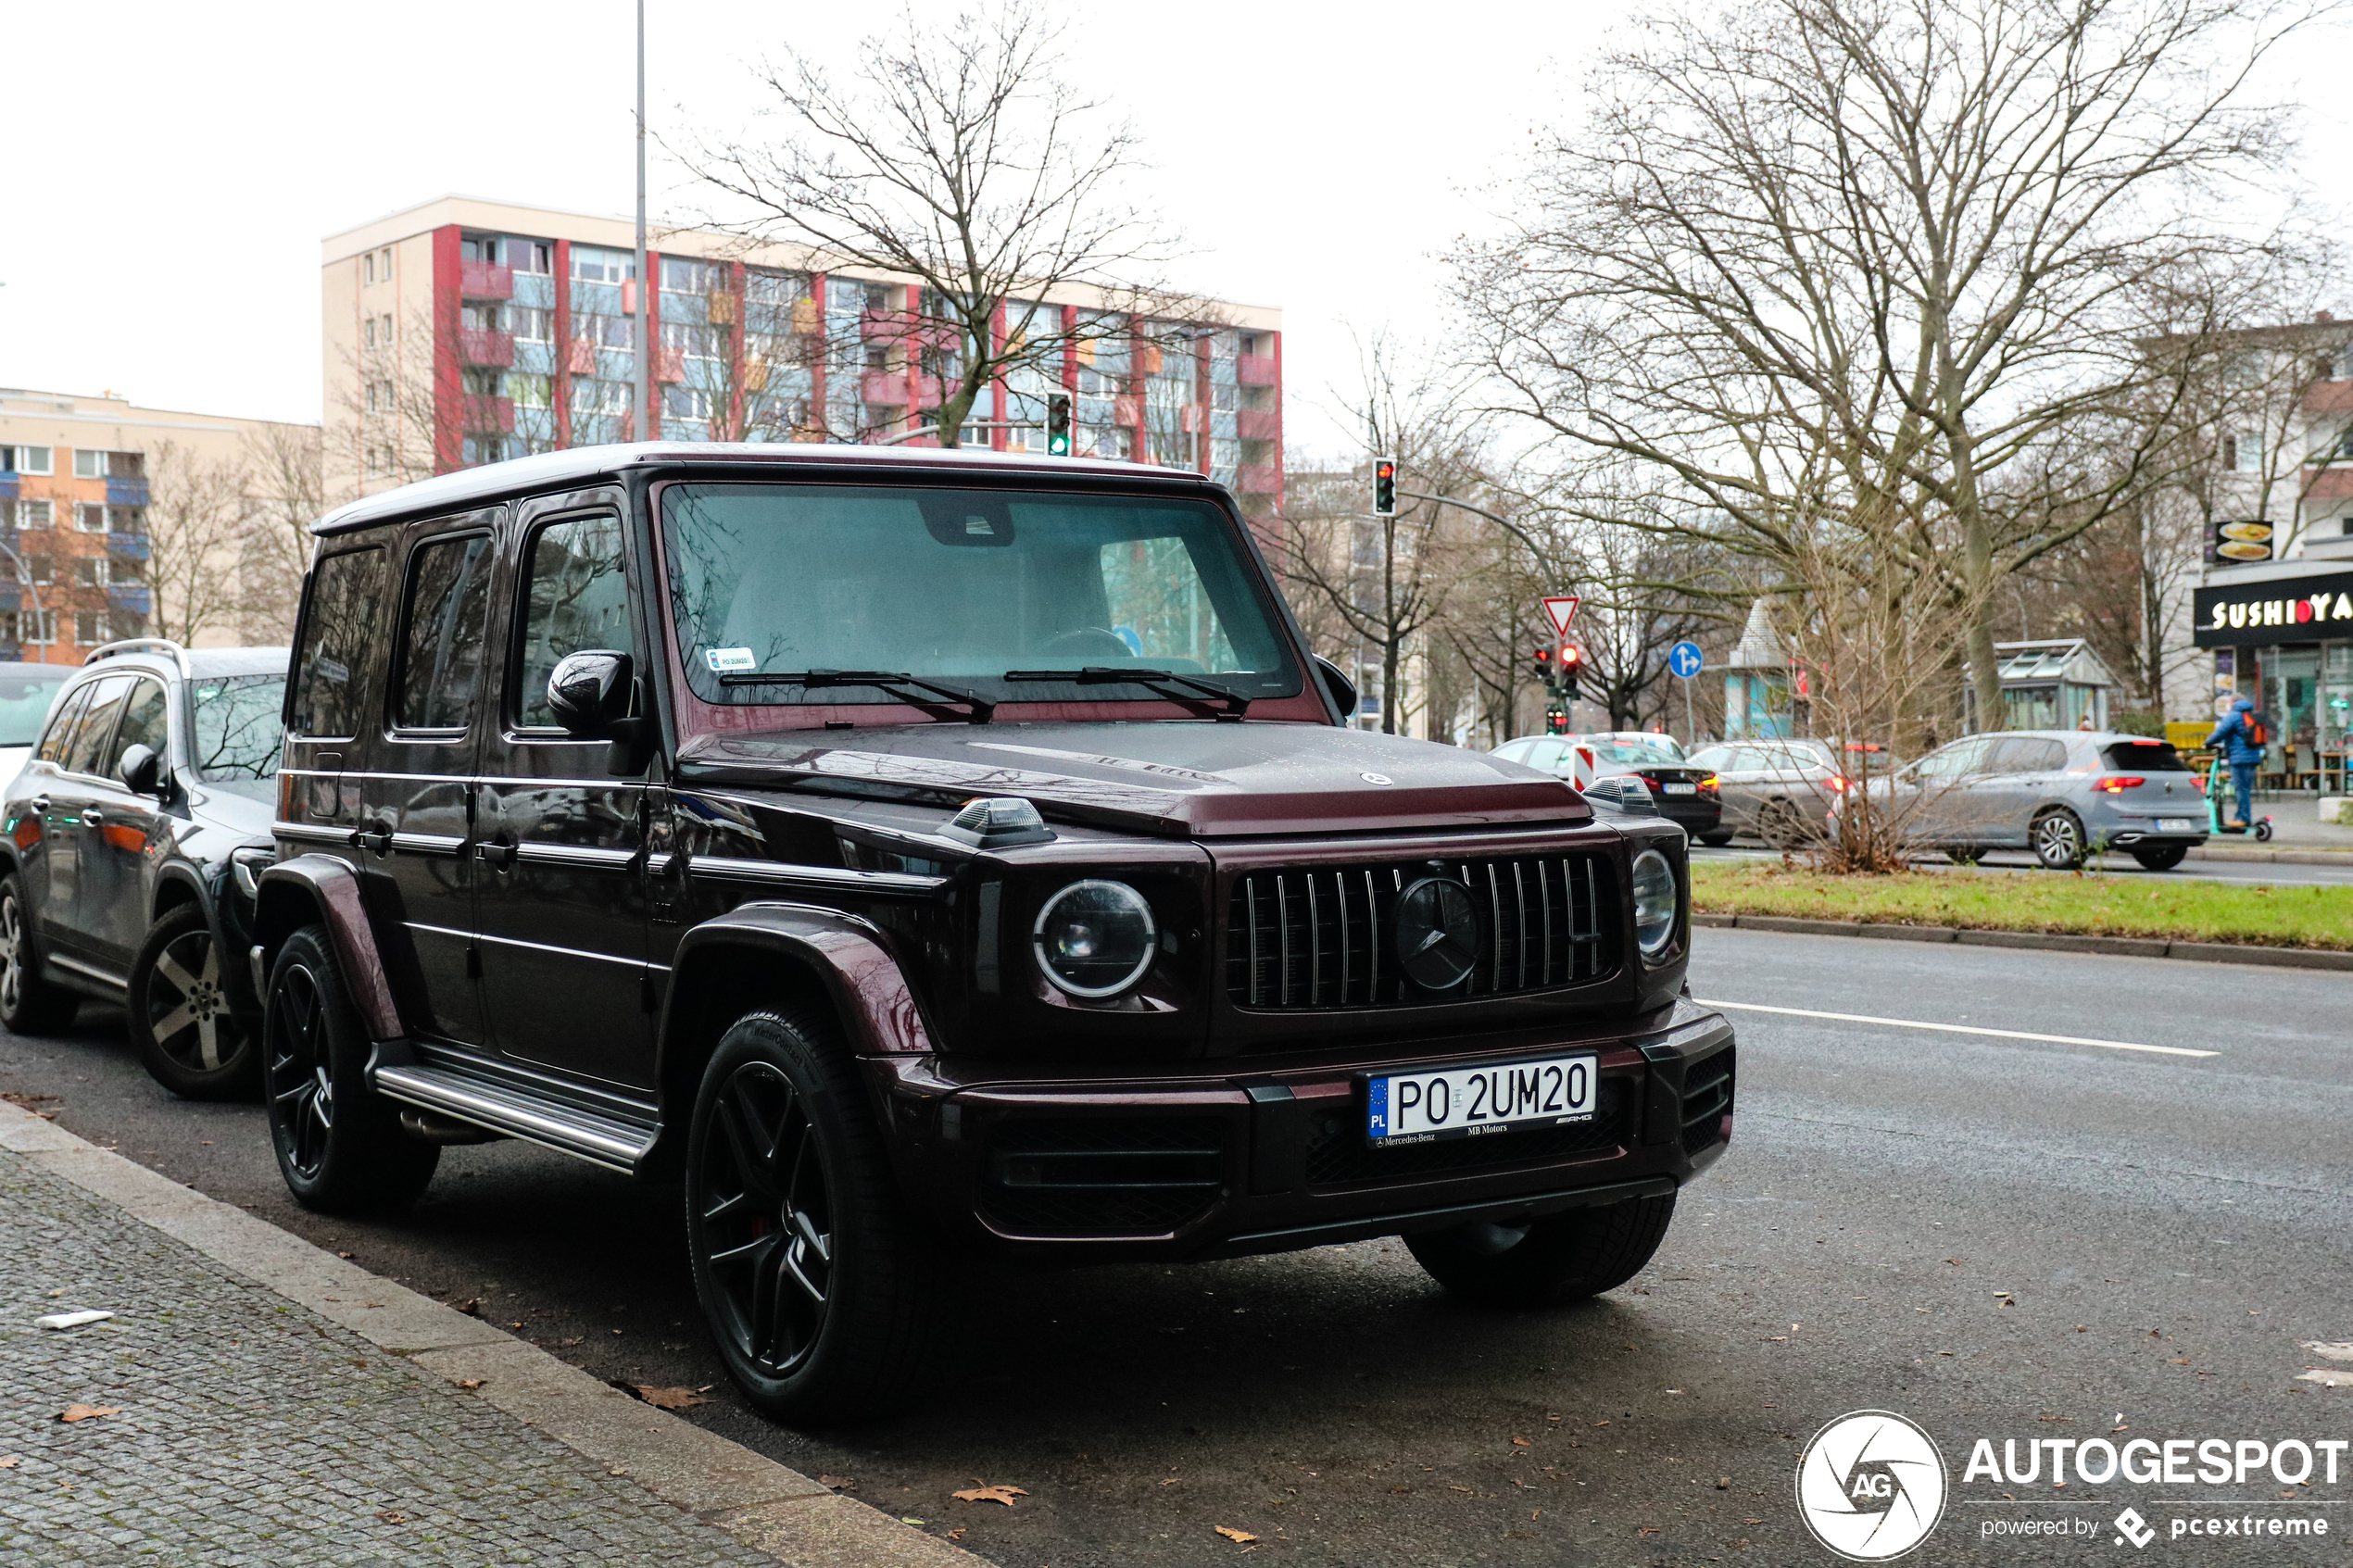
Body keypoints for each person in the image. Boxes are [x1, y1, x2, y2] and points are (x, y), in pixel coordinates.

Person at [2205, 696, 2264, 829]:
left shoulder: (2234, 715)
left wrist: (2208, 742)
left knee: (2240, 789)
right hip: (2253, 757)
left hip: (2239, 758)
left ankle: (2243, 818)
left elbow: (2221, 731)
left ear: (2233, 702)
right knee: (2245, 789)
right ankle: (2242, 816)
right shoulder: (2252, 714)